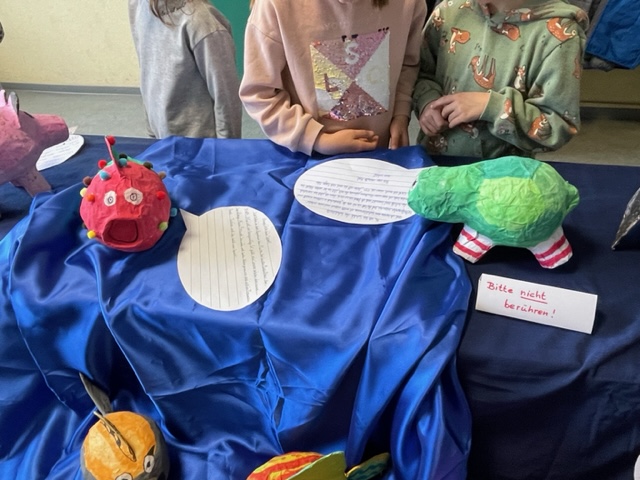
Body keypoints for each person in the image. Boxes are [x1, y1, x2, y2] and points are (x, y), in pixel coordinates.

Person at [239, 0, 427, 156]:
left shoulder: (409, 4)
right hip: (305, 155)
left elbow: (408, 63)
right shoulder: (274, 6)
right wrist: (315, 138)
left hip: (379, 153)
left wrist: (401, 114)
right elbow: (259, 93)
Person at [414, 0, 588, 159]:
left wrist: (492, 107)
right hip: (432, 166)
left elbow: (557, 126)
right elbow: (421, 73)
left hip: (503, 176)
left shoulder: (560, 34)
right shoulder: (449, 11)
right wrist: (427, 103)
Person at [128, 0, 242, 139]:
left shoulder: (202, 22)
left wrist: (226, 146)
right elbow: (146, 69)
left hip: (198, 142)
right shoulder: (138, 5)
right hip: (162, 136)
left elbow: (225, 96)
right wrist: (152, 131)